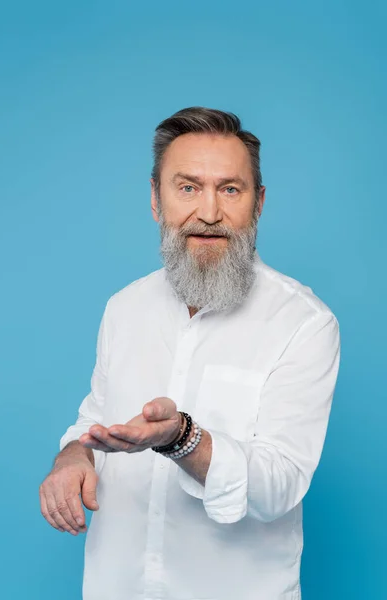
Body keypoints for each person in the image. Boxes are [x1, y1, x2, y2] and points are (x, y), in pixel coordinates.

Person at [39, 106, 341, 600]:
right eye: (187, 188)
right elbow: (94, 418)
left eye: (230, 189)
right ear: (156, 200)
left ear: (258, 203)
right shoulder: (124, 307)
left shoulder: (305, 323)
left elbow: (279, 485)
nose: (208, 212)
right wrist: (73, 457)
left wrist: (182, 438)